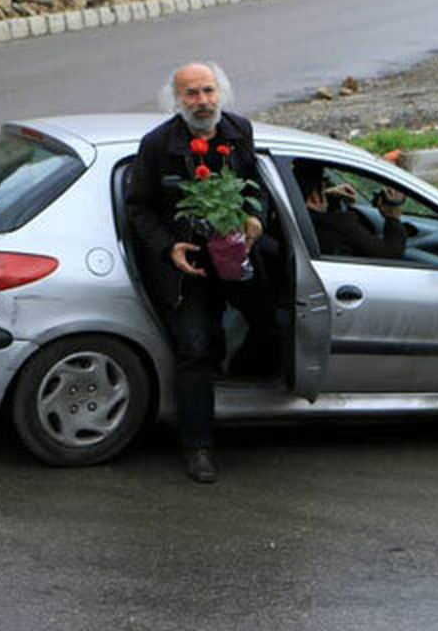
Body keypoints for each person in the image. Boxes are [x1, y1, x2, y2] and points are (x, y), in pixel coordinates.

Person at [125, 61, 275, 484]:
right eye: (191, 94)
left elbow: (254, 185)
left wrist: (254, 217)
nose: (202, 101)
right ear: (177, 101)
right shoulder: (157, 145)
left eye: (208, 91)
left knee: (272, 317)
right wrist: (168, 247)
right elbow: (138, 207)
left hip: (234, 257)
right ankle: (198, 447)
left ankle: (244, 376)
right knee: (194, 349)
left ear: (220, 93)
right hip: (186, 268)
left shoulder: (239, 131)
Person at [294, 161, 407, 259]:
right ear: (313, 198)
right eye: (323, 188)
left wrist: (328, 196)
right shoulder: (338, 224)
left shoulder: (291, 217)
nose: (325, 192)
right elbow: (389, 252)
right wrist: (393, 218)